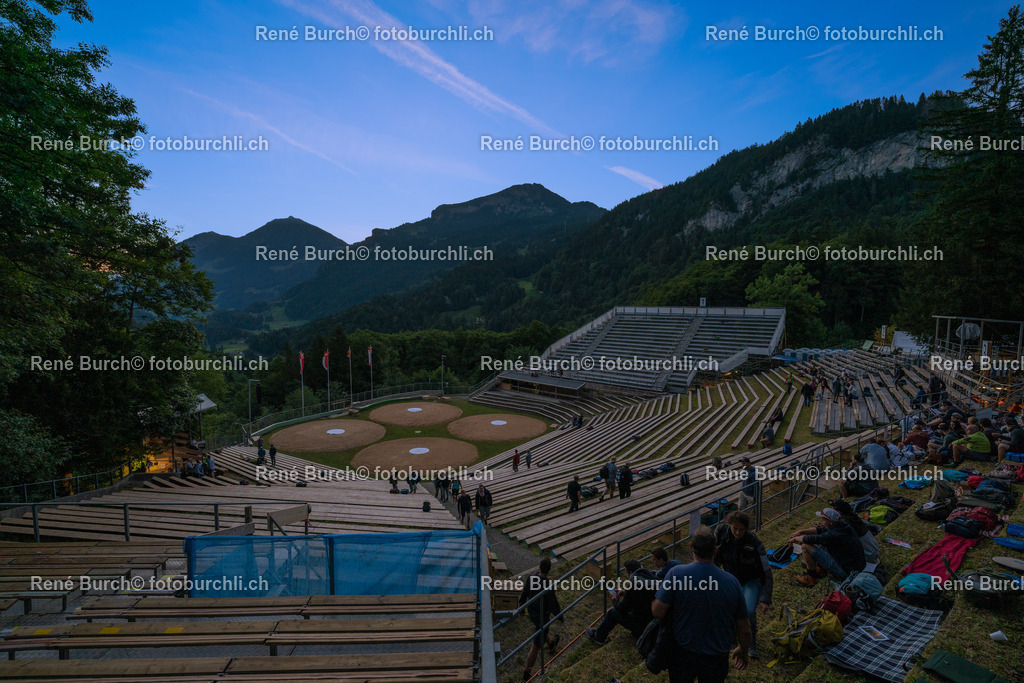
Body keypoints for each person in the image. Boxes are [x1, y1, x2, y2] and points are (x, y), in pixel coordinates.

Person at [652, 527, 751, 682]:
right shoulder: (732, 583)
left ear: (691, 546)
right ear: (715, 550)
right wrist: (743, 650)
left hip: (683, 654)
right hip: (716, 658)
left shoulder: (676, 573)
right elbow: (744, 628)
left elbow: (658, 612)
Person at [714, 512, 772, 659]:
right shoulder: (721, 533)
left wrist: (765, 598)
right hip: (730, 578)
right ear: (729, 525)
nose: (738, 533)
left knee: (749, 610)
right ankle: (732, 635)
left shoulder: (754, 543)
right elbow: (714, 556)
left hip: (750, 580)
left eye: (742, 530)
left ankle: (751, 641)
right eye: (735, 528)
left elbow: (765, 570)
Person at [585, 559, 657, 644]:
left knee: (613, 612)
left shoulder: (634, 585)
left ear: (630, 572)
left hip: (643, 628)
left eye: (626, 572)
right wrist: (625, 592)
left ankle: (598, 637)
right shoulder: (649, 577)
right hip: (652, 622)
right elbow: (640, 595)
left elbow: (621, 608)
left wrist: (614, 599)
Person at [789, 508, 866, 586]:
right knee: (819, 543)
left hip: (846, 573)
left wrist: (795, 539)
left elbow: (811, 539)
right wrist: (801, 532)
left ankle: (811, 578)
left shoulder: (834, 534)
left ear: (830, 522)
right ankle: (821, 569)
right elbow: (820, 530)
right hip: (854, 567)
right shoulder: (842, 526)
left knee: (805, 546)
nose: (822, 522)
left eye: (823, 520)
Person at [520, 558, 562, 681]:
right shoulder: (548, 585)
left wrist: (521, 608)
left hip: (532, 612)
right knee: (535, 647)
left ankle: (551, 645)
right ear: (549, 570)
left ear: (539, 567)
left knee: (543, 629)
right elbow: (553, 603)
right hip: (542, 616)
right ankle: (527, 673)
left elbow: (524, 593)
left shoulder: (531, 578)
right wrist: (560, 616)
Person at [831, 499, 879, 566]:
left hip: (868, 556)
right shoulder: (852, 517)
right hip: (874, 550)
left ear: (839, 512)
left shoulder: (844, 523)